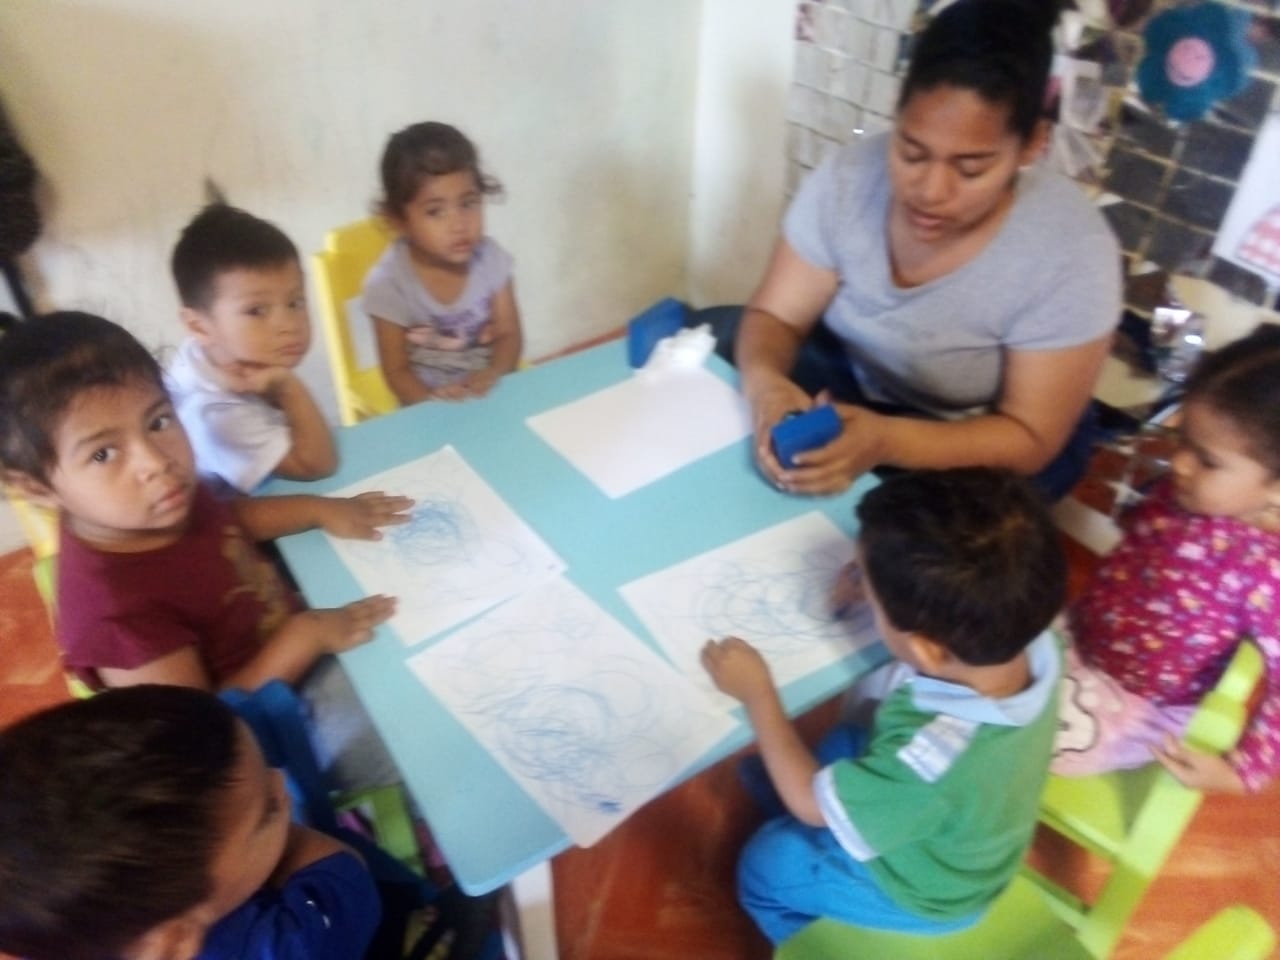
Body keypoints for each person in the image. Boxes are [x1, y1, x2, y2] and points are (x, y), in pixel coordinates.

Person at [718, 0, 1120, 500]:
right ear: (898, 111)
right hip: (858, 383)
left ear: (1032, 144)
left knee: (933, 533)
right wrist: (766, 385)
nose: (930, 191)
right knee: (724, 340)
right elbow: (775, 316)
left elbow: (1030, 436)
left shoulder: (1071, 255)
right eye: (911, 152)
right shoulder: (848, 182)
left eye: (970, 169)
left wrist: (887, 441)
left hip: (979, 437)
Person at [0, 311, 411, 790]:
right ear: (36, 487)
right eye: (103, 453)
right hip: (274, 730)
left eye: (158, 421)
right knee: (413, 727)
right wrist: (304, 637)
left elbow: (229, 521)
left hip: (294, 630)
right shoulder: (116, 619)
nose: (157, 462)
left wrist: (319, 510)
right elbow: (203, 726)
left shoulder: (154, 501)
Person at [702, 468, 1065, 944]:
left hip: (922, 890)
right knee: (847, 739)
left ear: (928, 648)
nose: (860, 588)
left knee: (769, 862)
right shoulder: (1033, 640)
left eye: (872, 598)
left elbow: (811, 806)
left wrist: (759, 695)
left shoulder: (932, 759)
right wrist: (876, 582)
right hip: (964, 831)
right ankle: (831, 808)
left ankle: (812, 944)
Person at [1053, 324, 1280, 795]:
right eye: (1183, 440)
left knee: (1011, 726)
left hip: (1135, 707)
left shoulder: (1266, 572)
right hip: (1078, 636)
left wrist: (1243, 773)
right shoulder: (1181, 492)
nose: (1179, 463)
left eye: (1207, 460)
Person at [0, 685, 383, 960]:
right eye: (269, 808)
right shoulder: (287, 946)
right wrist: (290, 834)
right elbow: (344, 872)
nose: (280, 781)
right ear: (176, 942)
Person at [167, 203, 337, 495]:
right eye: (256, 310)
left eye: (295, 302)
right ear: (199, 326)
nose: (289, 325)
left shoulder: (209, 353)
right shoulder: (217, 413)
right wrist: (290, 388)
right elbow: (318, 465)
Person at [363, 121, 522, 403]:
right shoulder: (388, 284)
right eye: (436, 211)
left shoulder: (491, 259)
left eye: (468, 203)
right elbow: (397, 372)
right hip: (426, 404)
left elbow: (509, 334)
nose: (459, 225)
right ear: (399, 220)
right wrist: (434, 405)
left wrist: (495, 372)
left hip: (490, 392)